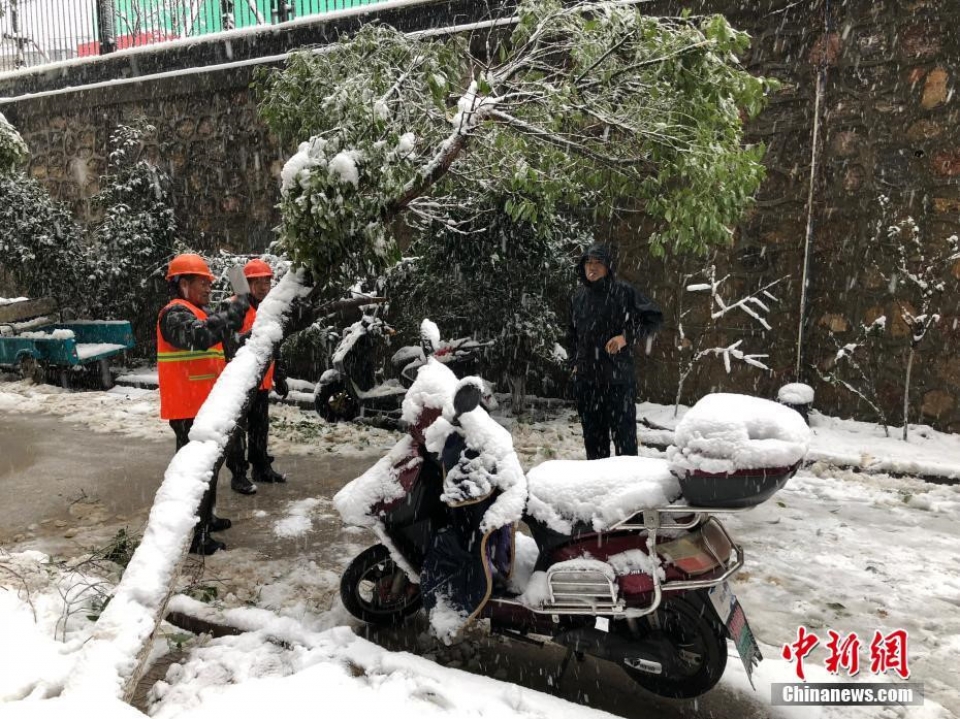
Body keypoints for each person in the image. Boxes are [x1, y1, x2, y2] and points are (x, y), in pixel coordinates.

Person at [157, 253, 249, 555]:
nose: (209, 288)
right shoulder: (175, 313)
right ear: (182, 284)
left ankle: (205, 519)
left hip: (203, 407)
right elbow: (196, 338)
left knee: (206, 472)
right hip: (187, 408)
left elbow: (214, 343)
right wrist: (229, 315)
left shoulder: (195, 311)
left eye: (209, 283)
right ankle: (195, 535)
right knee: (194, 476)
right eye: (202, 283)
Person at [567, 243, 662, 460]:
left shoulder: (624, 292)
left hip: (618, 381)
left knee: (625, 442)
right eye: (588, 263)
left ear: (608, 266)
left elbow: (653, 318)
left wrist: (625, 337)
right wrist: (573, 362)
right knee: (593, 442)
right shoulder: (578, 297)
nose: (592, 267)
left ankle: (628, 488)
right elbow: (571, 333)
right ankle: (599, 487)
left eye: (598, 263)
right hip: (587, 382)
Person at [225, 258, 289, 495]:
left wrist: (279, 375)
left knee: (260, 428)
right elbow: (228, 343)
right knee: (237, 431)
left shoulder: (268, 308)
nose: (264, 286)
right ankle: (238, 475)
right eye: (258, 282)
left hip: (261, 382)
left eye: (267, 281)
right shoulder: (235, 307)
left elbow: (275, 344)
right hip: (240, 382)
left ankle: (261, 468)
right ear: (247, 282)